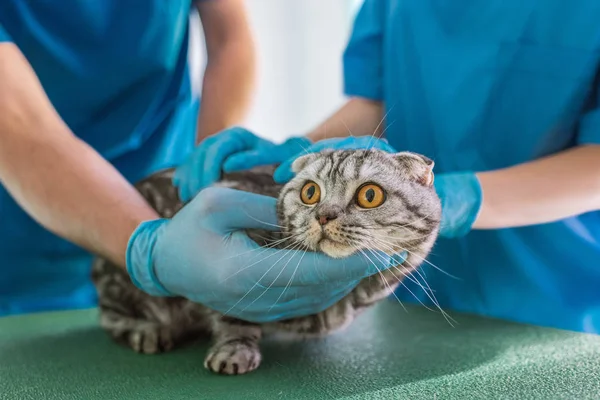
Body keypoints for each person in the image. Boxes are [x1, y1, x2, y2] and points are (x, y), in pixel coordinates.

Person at [178, 1, 600, 334]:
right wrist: (295, 154)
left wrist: (453, 199)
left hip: (552, 297)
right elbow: (376, 103)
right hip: (399, 285)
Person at [0, 1, 401, 319]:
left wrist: (207, 169)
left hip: (167, 180)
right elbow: (21, 127)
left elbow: (229, 37)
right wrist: (151, 248)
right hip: (19, 224)